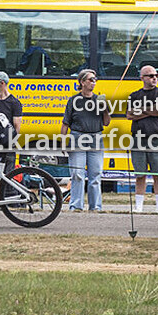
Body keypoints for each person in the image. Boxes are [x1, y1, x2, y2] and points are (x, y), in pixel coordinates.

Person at [60, 69, 110, 212]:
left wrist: (105, 109)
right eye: (90, 79)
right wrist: (64, 142)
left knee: (96, 174)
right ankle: (76, 205)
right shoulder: (73, 100)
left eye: (95, 80)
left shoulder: (99, 100)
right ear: (82, 82)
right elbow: (65, 123)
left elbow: (106, 123)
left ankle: (96, 207)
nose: (94, 82)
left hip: (96, 138)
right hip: (77, 137)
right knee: (77, 174)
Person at [126, 65, 158, 213]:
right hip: (138, 138)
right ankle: (138, 206)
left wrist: (141, 110)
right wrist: (150, 111)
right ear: (142, 78)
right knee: (140, 174)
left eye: (156, 75)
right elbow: (130, 115)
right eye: (150, 75)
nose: (154, 78)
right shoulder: (134, 95)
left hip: (156, 138)